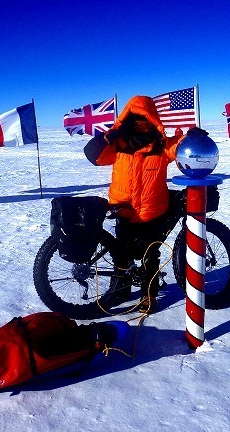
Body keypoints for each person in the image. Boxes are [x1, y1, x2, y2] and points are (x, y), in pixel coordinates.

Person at [83, 95, 185, 314]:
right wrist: (110, 135)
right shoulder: (118, 144)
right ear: (127, 120)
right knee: (122, 253)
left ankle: (149, 296)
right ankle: (121, 289)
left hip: (152, 210)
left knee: (150, 255)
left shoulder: (160, 145)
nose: (141, 124)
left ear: (153, 120)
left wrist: (191, 138)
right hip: (124, 209)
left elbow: (178, 148)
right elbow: (93, 155)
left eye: (145, 120)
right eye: (136, 119)